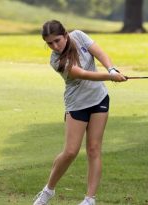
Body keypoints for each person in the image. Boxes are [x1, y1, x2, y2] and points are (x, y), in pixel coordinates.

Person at [33, 20, 127, 205]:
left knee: (94, 149)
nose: (55, 46)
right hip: (77, 105)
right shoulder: (56, 60)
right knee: (70, 152)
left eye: (57, 40)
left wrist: (111, 68)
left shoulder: (79, 36)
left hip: (99, 98)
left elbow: (99, 52)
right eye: (50, 43)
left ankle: (89, 199)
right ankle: (48, 190)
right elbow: (82, 74)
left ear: (66, 34)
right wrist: (111, 77)